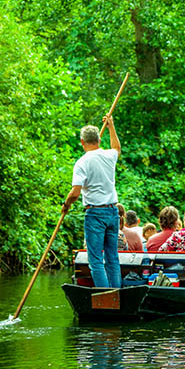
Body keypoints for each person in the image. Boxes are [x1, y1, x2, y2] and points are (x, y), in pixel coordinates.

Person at [62, 115, 121, 288]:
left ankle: (106, 296)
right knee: (112, 258)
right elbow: (116, 147)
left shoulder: (82, 163)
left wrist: (66, 205)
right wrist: (111, 126)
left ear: (82, 142)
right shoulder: (109, 156)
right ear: (99, 139)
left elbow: (75, 192)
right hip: (112, 211)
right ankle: (116, 293)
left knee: (95, 260)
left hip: (95, 213)